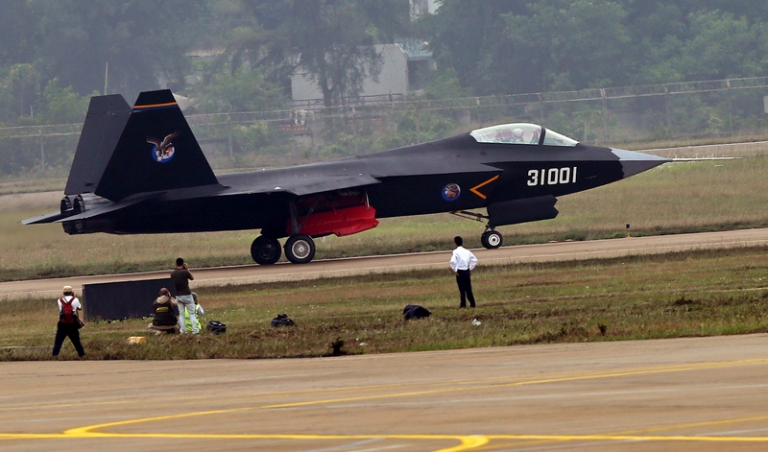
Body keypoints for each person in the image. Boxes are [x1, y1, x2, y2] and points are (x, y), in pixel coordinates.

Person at [52, 285, 85, 357]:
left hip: (62, 323)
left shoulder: (59, 300)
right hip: (72, 323)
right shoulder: (75, 300)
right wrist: (74, 297)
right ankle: (82, 355)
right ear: (71, 292)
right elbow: (79, 308)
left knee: (58, 341)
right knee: (76, 341)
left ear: (63, 293)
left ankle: (54, 355)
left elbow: (61, 310)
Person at [171, 257, 198, 334]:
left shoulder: (173, 273)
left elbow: (175, 273)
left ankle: (183, 331)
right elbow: (192, 278)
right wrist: (186, 269)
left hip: (178, 296)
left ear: (176, 264)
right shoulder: (185, 272)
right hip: (187, 294)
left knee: (181, 314)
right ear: (183, 264)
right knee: (192, 313)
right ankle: (195, 330)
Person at [449, 236, 478, 308]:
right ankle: (473, 304)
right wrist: (469, 268)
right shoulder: (467, 251)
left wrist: (455, 270)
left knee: (462, 289)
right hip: (467, 271)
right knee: (468, 288)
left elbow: (452, 261)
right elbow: (475, 260)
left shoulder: (455, 252)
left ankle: (463, 304)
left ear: (455, 243)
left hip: (460, 272)